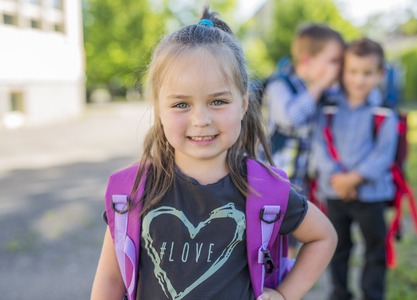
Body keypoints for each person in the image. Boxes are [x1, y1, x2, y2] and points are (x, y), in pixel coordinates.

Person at [91, 7, 337, 300]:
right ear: (159, 108)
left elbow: (323, 236)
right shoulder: (132, 192)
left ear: (244, 102)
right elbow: (109, 278)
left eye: (218, 101)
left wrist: (285, 294)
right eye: (181, 104)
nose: (201, 119)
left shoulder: (267, 193)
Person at [311, 38, 398, 300]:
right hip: (334, 192)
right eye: (353, 72)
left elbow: (383, 155)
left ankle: (372, 294)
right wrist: (337, 177)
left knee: (375, 251)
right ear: (343, 72)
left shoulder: (384, 112)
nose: (359, 80)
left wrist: (355, 178)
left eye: (367, 73)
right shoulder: (329, 108)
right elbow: (320, 143)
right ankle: (339, 294)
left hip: (371, 196)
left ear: (380, 74)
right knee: (338, 248)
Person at [265, 24, 344, 192]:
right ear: (307, 59)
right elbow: (291, 118)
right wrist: (320, 85)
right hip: (273, 183)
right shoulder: (280, 85)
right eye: (333, 61)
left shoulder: (322, 91)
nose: (337, 69)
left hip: (304, 187)